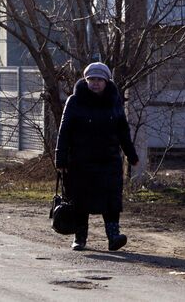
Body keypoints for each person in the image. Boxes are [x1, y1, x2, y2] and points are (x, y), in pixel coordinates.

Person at [55, 62, 139, 251]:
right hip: (79, 161)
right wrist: (60, 160)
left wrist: (131, 155)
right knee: (80, 200)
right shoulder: (74, 101)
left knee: (111, 200)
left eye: (99, 79)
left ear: (106, 81)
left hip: (108, 160)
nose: (95, 83)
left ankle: (113, 237)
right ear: (85, 80)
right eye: (91, 79)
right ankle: (80, 238)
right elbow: (64, 132)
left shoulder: (114, 100)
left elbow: (123, 130)